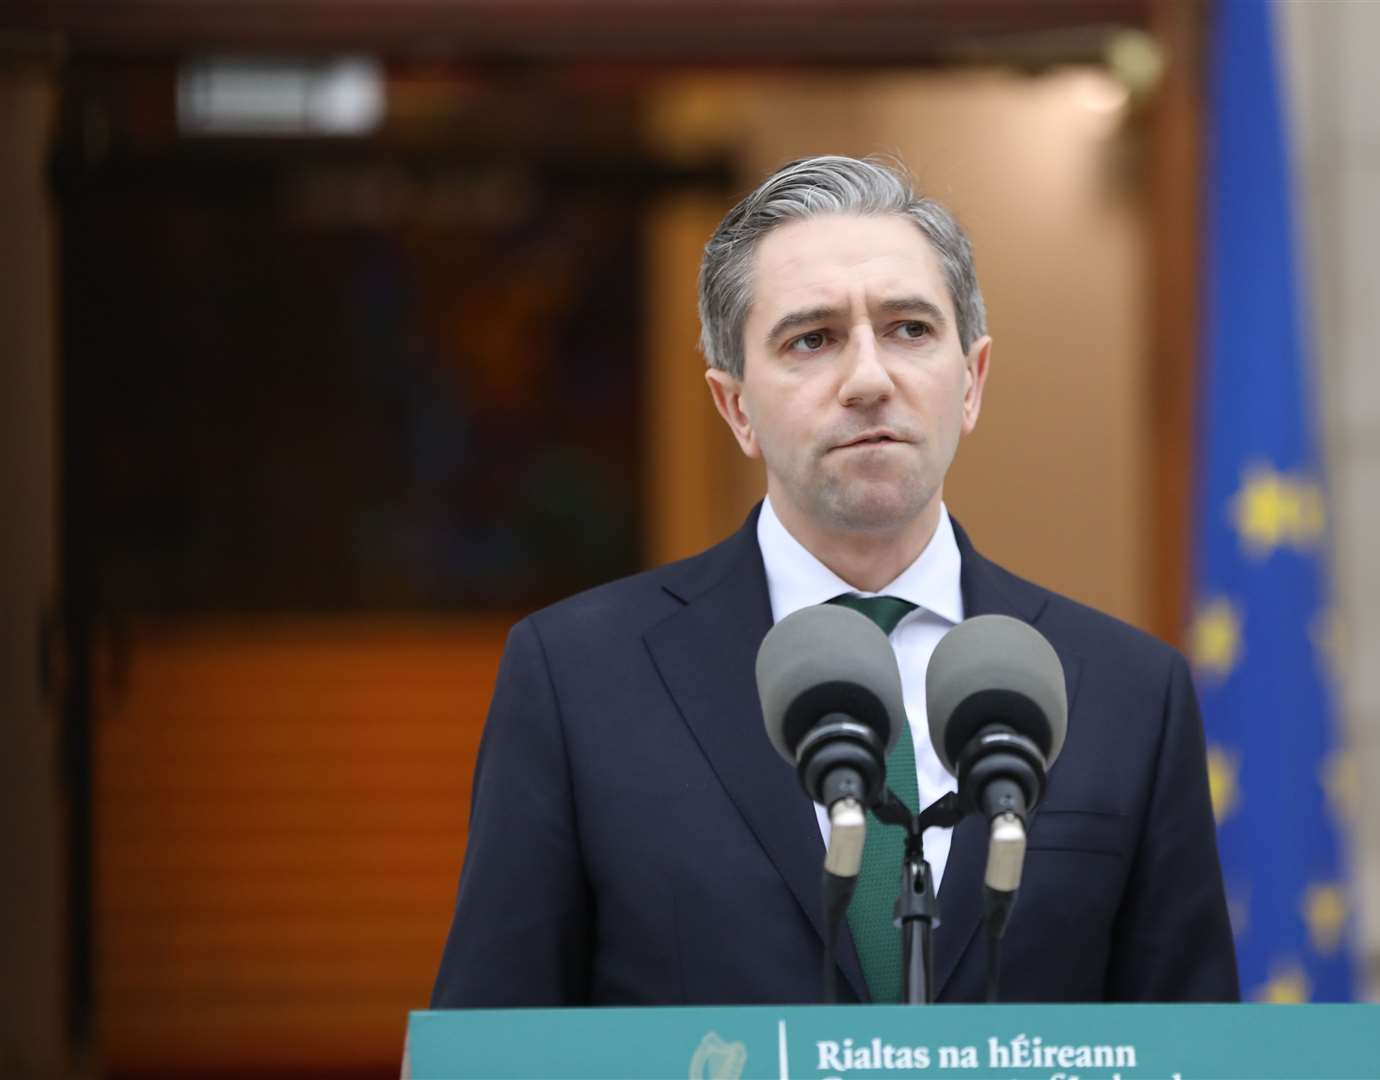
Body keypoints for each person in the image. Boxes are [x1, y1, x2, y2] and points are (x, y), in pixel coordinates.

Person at [431, 155, 1238, 1006]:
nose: (867, 380)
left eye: (910, 330)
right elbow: (495, 1036)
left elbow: (1197, 1045)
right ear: (735, 407)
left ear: (973, 382)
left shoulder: (1128, 693)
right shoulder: (576, 679)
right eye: (811, 339)